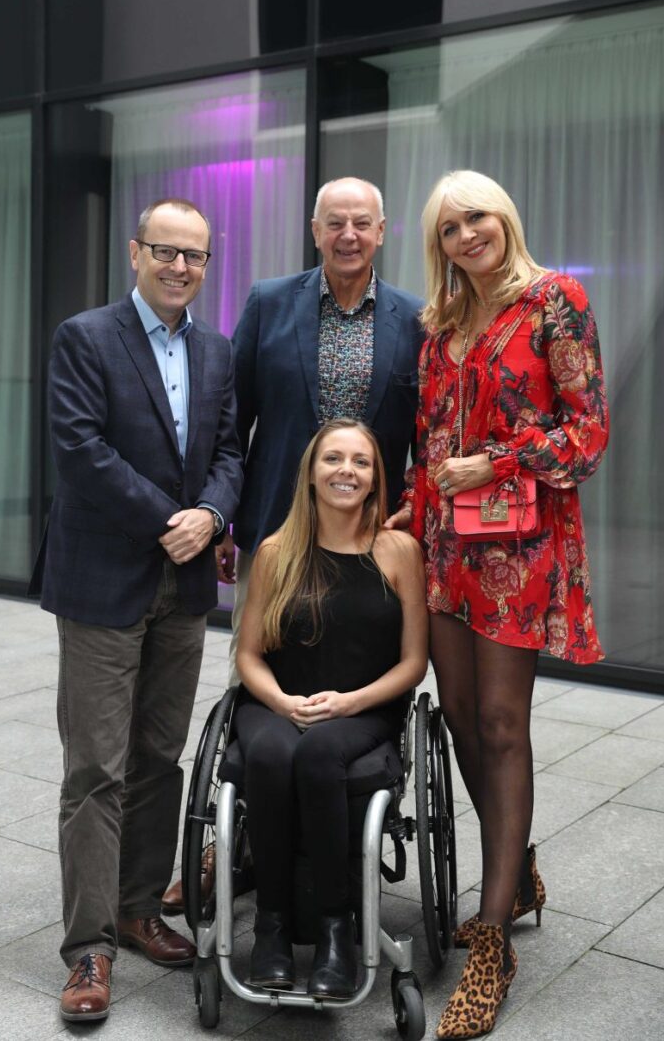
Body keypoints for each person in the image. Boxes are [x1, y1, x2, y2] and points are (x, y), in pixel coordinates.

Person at [160, 176, 423, 918]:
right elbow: (230, 420)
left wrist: (411, 509)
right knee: (268, 673)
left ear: (381, 232)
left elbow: (426, 431)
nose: (347, 234)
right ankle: (239, 843)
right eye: (333, 222)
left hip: (369, 542)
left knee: (350, 667)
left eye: (360, 223)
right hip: (277, 526)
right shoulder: (271, 301)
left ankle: (328, 835)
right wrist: (226, 517)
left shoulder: (412, 318)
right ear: (314, 230)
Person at [387, 170, 608, 1040]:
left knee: (501, 723)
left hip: (520, 546)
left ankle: (491, 939)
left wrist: (501, 462)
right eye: (447, 228)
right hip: (446, 546)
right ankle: (517, 872)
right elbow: (431, 436)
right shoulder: (439, 323)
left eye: (474, 217)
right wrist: (417, 496)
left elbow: (586, 433)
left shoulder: (555, 300)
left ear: (503, 216)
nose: (465, 236)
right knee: (459, 721)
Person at [30, 198, 242, 1023]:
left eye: (195, 255)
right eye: (166, 251)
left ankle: (137, 905)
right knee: (95, 769)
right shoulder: (85, 337)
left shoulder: (216, 351)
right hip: (104, 579)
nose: (181, 266)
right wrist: (173, 521)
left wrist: (215, 516)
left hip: (183, 586)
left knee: (158, 756)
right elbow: (81, 450)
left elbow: (230, 451)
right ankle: (88, 948)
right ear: (135, 252)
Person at [234, 418, 427, 999]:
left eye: (361, 462)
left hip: (365, 708)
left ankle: (334, 927)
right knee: (268, 755)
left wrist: (349, 702)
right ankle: (271, 926)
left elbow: (413, 664)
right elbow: (247, 655)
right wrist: (283, 703)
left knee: (320, 754)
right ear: (311, 473)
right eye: (333, 459)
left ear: (374, 479)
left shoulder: (399, 551)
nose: (346, 470)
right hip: (278, 701)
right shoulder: (276, 550)